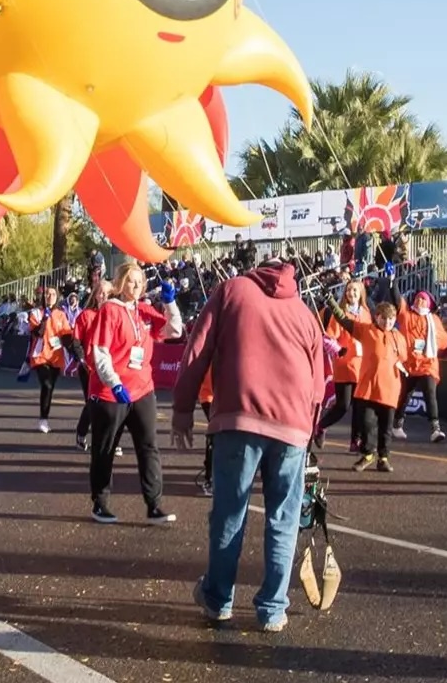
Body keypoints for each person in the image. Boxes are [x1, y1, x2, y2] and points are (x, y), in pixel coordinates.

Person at [170, 254, 323, 633]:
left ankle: (218, 599)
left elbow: (197, 350)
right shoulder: (304, 312)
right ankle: (272, 609)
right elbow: (318, 383)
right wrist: (311, 430)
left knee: (229, 513)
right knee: (284, 519)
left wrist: (183, 408)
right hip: (293, 426)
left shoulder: (231, 290)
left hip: (239, 418)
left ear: (258, 270)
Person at [82, 264, 171, 524]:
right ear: (121, 283)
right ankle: (100, 503)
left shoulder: (143, 310)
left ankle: (154, 505)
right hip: (112, 392)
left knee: (149, 446)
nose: (136, 285)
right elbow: (100, 352)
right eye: (131, 281)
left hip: (143, 389)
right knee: (105, 448)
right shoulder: (110, 310)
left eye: (140, 281)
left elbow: (173, 331)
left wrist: (170, 304)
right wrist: (114, 383)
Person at [344, 301, 407, 473]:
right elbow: (345, 321)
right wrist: (331, 303)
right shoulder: (366, 330)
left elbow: (404, 357)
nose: (387, 322)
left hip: (390, 389)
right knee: (367, 423)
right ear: (376, 317)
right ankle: (368, 454)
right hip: (368, 388)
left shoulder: (398, 337)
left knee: (386, 427)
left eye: (391, 319)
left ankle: (383, 458)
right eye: (384, 318)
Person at [392, 289, 447, 443]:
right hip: (409, 363)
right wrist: (393, 283)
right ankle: (397, 424)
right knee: (405, 394)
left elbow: (443, 338)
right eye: (417, 298)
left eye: (423, 299)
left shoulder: (434, 319)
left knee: (430, 393)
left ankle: (435, 429)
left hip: (428, 363)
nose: (419, 301)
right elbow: (397, 300)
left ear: (429, 303)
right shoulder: (406, 315)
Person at [315, 279, 370, 454]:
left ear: (361, 293)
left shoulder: (366, 313)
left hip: (361, 366)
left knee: (360, 406)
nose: (351, 293)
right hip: (345, 365)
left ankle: (355, 440)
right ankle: (321, 426)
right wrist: (338, 349)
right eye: (348, 290)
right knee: (343, 405)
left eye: (355, 290)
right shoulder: (340, 314)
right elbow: (329, 337)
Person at [27, 295, 83, 434]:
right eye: (48, 294)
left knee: (50, 388)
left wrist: (76, 353)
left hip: (56, 356)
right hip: (40, 355)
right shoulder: (36, 313)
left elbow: (66, 336)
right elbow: (37, 333)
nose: (50, 296)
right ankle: (43, 419)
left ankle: (44, 417)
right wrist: (45, 319)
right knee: (47, 384)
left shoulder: (60, 314)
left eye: (53, 294)